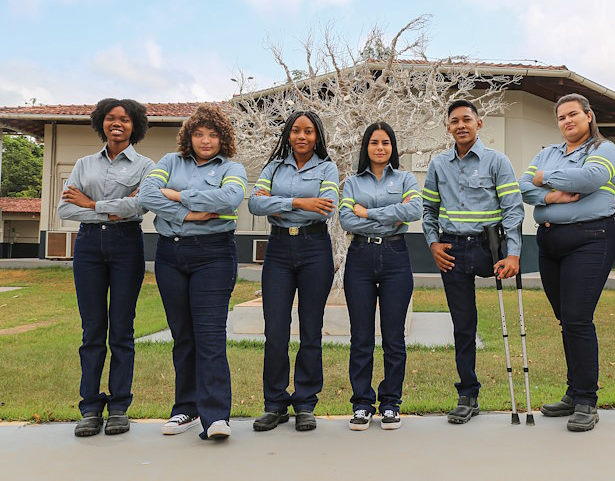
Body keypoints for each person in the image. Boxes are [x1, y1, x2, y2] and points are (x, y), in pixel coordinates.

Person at [139, 104, 247, 440]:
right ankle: (185, 408)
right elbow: (146, 193)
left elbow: (229, 199)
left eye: (213, 134)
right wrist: (190, 214)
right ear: (189, 136)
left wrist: (177, 195)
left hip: (213, 255)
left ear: (222, 138)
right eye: (199, 133)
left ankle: (215, 416)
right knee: (183, 335)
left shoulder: (233, 167)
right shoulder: (169, 162)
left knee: (210, 336)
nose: (205, 140)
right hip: (170, 254)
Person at [519, 93, 615, 432]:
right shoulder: (548, 152)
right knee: (566, 320)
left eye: (573, 114)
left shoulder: (603, 150)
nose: (567, 121)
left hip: (590, 240)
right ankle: (573, 391)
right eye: (561, 117)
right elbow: (522, 185)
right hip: (550, 244)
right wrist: (549, 193)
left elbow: (589, 180)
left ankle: (587, 402)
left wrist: (542, 178)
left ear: (589, 116)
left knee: (578, 319)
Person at [422, 99, 525, 424]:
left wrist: (514, 252)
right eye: (455, 121)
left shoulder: (497, 161)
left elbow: (512, 208)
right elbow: (428, 212)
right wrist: (433, 244)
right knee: (463, 326)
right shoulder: (438, 165)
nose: (461, 125)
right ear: (448, 128)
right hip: (451, 249)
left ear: (479, 124)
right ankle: (468, 395)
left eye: (467, 119)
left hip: (488, 248)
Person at [59, 98, 154, 437]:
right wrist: (110, 209)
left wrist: (92, 202)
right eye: (111, 118)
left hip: (127, 245)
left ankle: (118, 408)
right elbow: (65, 211)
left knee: (122, 330)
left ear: (135, 126)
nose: (117, 124)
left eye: (125, 119)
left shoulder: (146, 166)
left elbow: (139, 205)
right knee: (92, 330)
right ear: (101, 123)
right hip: (88, 248)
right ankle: (89, 408)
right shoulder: (84, 165)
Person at [249, 111, 339, 433]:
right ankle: (274, 404)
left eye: (309, 132)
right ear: (288, 134)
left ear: (317, 136)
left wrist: (279, 200)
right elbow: (255, 204)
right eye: (296, 131)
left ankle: (304, 403)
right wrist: (301, 203)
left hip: (314, 250)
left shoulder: (327, 168)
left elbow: (327, 205)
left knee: (311, 329)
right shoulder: (273, 167)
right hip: (278, 252)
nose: (302, 136)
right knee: (275, 331)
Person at [339, 122, 422, 431]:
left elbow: (414, 210)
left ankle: (390, 403)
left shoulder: (405, 178)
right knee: (361, 337)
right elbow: (347, 219)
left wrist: (368, 213)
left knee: (393, 337)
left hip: (396, 258)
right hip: (359, 258)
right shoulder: (351, 183)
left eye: (386, 142)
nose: (380, 148)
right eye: (374, 142)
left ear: (392, 147)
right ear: (366, 147)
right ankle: (362, 404)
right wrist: (390, 212)